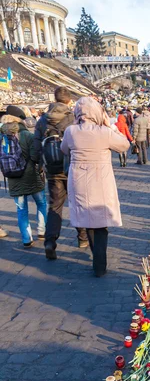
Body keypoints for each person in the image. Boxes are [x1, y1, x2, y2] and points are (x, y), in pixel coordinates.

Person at [60, 97, 130, 277]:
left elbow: (64, 149)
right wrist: (110, 126)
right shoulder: (104, 132)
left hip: (79, 180)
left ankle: (95, 257)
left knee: (87, 219)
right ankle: (100, 262)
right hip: (100, 180)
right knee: (101, 221)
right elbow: (124, 145)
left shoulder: (71, 131)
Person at [34, 86, 88, 260]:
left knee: (55, 206)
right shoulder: (73, 118)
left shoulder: (43, 120)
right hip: (71, 168)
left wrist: (39, 164)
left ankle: (50, 242)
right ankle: (82, 238)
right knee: (77, 202)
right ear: (69, 101)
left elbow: (36, 146)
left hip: (52, 170)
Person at [1, 107, 46, 247]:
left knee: (21, 209)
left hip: (13, 177)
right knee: (41, 203)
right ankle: (42, 231)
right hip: (31, 175)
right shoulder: (26, 135)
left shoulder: (2, 135)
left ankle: (27, 239)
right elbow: (34, 156)